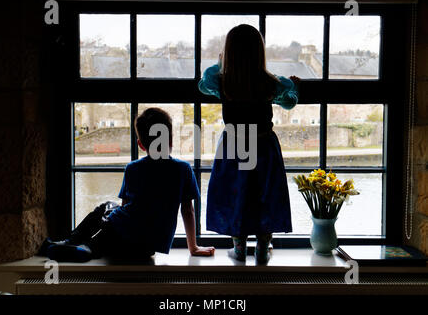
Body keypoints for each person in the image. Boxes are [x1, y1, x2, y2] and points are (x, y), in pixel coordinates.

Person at [42, 108, 215, 262]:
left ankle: (73, 243)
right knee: (108, 221)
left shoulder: (133, 168)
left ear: (140, 145)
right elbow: (188, 210)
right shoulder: (183, 169)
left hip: (118, 235)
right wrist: (193, 247)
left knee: (105, 208)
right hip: (146, 247)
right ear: (171, 139)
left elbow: (125, 207)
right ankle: (83, 247)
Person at [198, 24, 299, 264]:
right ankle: (263, 247)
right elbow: (289, 103)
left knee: (237, 193)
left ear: (228, 52)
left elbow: (203, 83)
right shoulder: (271, 82)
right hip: (264, 145)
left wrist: (220, 64)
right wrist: (294, 87)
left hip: (234, 145)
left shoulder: (223, 82)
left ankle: (239, 247)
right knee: (264, 193)